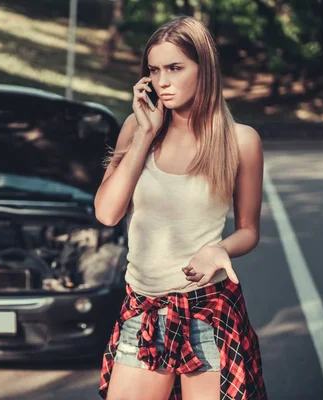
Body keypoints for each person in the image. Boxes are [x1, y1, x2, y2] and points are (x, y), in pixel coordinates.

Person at [95, 16, 267, 400]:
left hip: (208, 311)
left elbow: (249, 230)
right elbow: (107, 213)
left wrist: (219, 249)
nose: (163, 81)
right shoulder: (135, 128)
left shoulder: (241, 141)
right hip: (143, 309)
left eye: (175, 68)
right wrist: (144, 135)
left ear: (204, 69)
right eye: (155, 70)